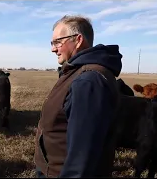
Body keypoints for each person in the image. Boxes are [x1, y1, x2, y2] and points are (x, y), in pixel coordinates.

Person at [34, 15, 123, 178]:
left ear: (78, 40)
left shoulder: (88, 80)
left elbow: (82, 156)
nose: (53, 49)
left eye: (57, 42)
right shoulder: (77, 73)